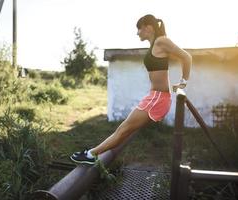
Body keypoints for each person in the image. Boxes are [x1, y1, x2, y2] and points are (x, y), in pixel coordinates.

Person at [70, 14, 192, 165]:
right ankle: (92, 154)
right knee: (125, 129)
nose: (137, 33)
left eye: (138, 29)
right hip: (155, 97)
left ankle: (91, 154)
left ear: (148, 27)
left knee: (124, 128)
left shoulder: (161, 41)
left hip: (158, 99)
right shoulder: (155, 44)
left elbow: (187, 57)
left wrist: (183, 82)